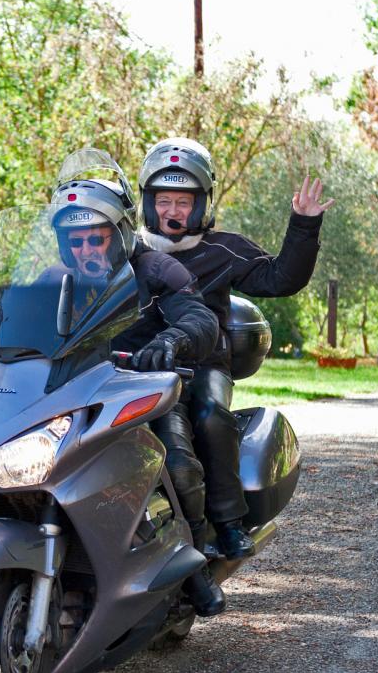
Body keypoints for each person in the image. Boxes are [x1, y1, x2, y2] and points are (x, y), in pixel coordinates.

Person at [136, 137, 333, 559]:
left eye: (184, 202)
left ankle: (226, 522)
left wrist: (304, 225)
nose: (173, 211)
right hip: (136, 364)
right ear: (148, 202)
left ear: (202, 204)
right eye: (164, 200)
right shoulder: (124, 249)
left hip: (203, 364)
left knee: (209, 415)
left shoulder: (223, 249)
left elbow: (280, 279)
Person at [48, 176, 228, 616]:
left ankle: (195, 565)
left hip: (144, 389)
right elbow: (8, 324)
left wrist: (171, 341)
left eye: (96, 238)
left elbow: (200, 317)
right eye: (76, 241)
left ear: (119, 234)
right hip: (73, 393)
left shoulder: (155, 270)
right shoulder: (52, 281)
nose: (86, 250)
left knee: (178, 465)